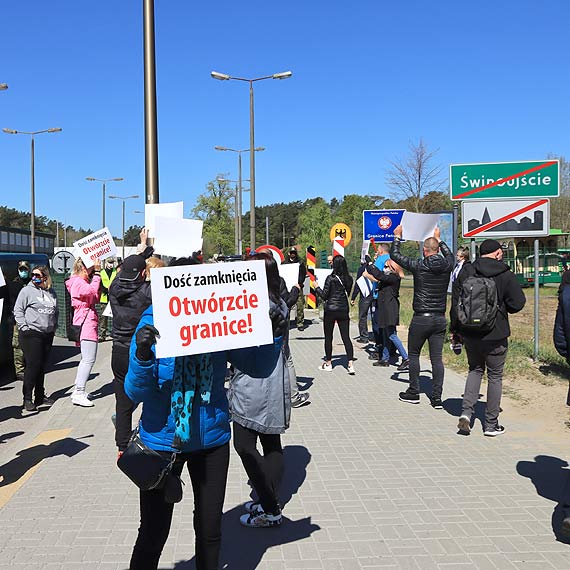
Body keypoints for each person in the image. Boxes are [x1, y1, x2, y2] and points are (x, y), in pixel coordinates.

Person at [124, 254, 287, 568]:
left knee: (210, 530)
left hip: (211, 441)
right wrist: (143, 355)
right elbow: (135, 392)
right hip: (161, 442)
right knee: (154, 532)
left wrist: (274, 336)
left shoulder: (218, 320)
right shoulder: (151, 321)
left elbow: (258, 366)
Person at [230, 252, 291, 528]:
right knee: (271, 441)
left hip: (254, 382)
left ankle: (269, 507)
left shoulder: (255, 305)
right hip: (275, 378)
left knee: (243, 444)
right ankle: (270, 497)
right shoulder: (278, 300)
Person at [451, 239, 526, 436]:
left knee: (474, 370)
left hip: (470, 333)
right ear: (497, 253)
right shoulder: (505, 274)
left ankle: (466, 413)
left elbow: (457, 303)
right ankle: (491, 425)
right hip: (496, 333)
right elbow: (518, 303)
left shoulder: (468, 271)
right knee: (495, 376)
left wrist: (456, 330)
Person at [390, 225, 454, 407]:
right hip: (440, 318)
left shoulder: (419, 265)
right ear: (437, 250)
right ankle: (437, 397)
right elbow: (449, 255)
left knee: (414, 354)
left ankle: (413, 391)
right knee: (437, 358)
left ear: (425, 251)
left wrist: (397, 237)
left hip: (421, 318)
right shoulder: (448, 265)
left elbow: (395, 256)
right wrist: (440, 239)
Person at [109, 252, 152, 455]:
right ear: (144, 273)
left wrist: (141, 254)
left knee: (122, 399)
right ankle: (150, 434)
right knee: (150, 393)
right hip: (139, 350)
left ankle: (122, 445)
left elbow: (120, 274)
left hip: (118, 350)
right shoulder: (146, 292)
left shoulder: (113, 288)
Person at [13, 265, 58, 411]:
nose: (34, 277)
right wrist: (24, 327)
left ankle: (40, 395)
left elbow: (55, 311)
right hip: (31, 333)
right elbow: (18, 310)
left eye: (38, 275)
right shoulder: (27, 291)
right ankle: (27, 398)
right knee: (33, 365)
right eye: (33, 275)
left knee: (41, 366)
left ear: (45, 277)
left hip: (47, 333)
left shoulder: (51, 292)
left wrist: (54, 326)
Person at [66, 258, 102, 407]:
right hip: (85, 323)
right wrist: (98, 274)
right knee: (88, 359)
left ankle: (79, 389)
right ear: (84, 269)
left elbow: (96, 297)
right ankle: (79, 392)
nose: (93, 273)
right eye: (91, 270)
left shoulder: (78, 282)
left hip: (87, 322)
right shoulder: (78, 283)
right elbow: (92, 292)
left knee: (85, 359)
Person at [364, 258, 409, 370]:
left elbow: (379, 275)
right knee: (385, 333)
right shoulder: (388, 278)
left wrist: (370, 264)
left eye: (386, 266)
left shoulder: (393, 278)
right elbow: (378, 277)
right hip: (384, 308)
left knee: (392, 334)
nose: (384, 268)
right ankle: (385, 358)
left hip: (390, 309)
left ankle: (406, 358)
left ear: (392, 268)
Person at [277, 260, 310, 408]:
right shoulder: (277, 280)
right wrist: (296, 289)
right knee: (286, 360)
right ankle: (293, 396)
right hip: (278, 329)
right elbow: (287, 302)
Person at [315, 254, 355, 374]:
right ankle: (350, 364)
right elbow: (347, 293)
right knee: (346, 337)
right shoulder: (349, 279)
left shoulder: (330, 278)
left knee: (329, 337)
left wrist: (317, 287)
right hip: (343, 310)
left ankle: (328, 363)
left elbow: (324, 296)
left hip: (330, 311)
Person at [7, 260, 32, 380]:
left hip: (32, 320)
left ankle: (31, 367)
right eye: (21, 269)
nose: (23, 272)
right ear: (18, 270)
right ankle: (19, 371)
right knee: (18, 346)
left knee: (32, 345)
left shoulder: (33, 283)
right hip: (18, 320)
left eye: (25, 269)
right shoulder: (14, 284)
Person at [351, 260, 374, 343]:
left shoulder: (361, 269)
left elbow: (358, 284)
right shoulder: (374, 267)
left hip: (364, 296)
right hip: (375, 295)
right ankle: (375, 336)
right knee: (375, 316)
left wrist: (353, 297)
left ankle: (364, 337)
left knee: (362, 316)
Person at [285, 247, 306, 330]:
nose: (293, 254)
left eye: (294, 252)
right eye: (291, 252)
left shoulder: (300, 263)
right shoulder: (285, 263)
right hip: (287, 287)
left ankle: (300, 323)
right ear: (289, 253)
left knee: (300, 305)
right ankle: (286, 322)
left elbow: (303, 274)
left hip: (298, 286)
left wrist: (299, 283)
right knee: (287, 305)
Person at [98, 257, 117, 341]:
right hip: (104, 297)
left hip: (114, 297)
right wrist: (104, 289)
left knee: (115, 316)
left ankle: (115, 333)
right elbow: (98, 284)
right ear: (105, 263)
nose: (111, 264)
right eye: (109, 262)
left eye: (112, 263)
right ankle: (102, 334)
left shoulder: (115, 272)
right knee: (103, 317)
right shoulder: (101, 272)